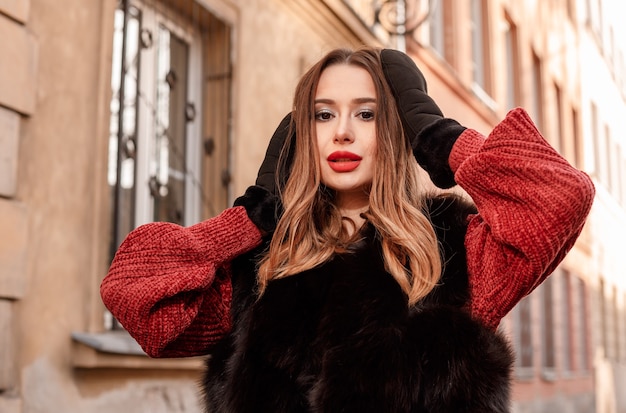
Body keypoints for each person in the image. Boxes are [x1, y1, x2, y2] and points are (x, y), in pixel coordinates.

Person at [101, 47, 595, 412]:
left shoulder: (451, 247)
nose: (342, 131)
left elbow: (561, 197)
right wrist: (252, 215)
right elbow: (135, 293)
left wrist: (438, 136)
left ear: (395, 129)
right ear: (303, 132)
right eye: (322, 115)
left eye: (366, 113)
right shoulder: (263, 265)